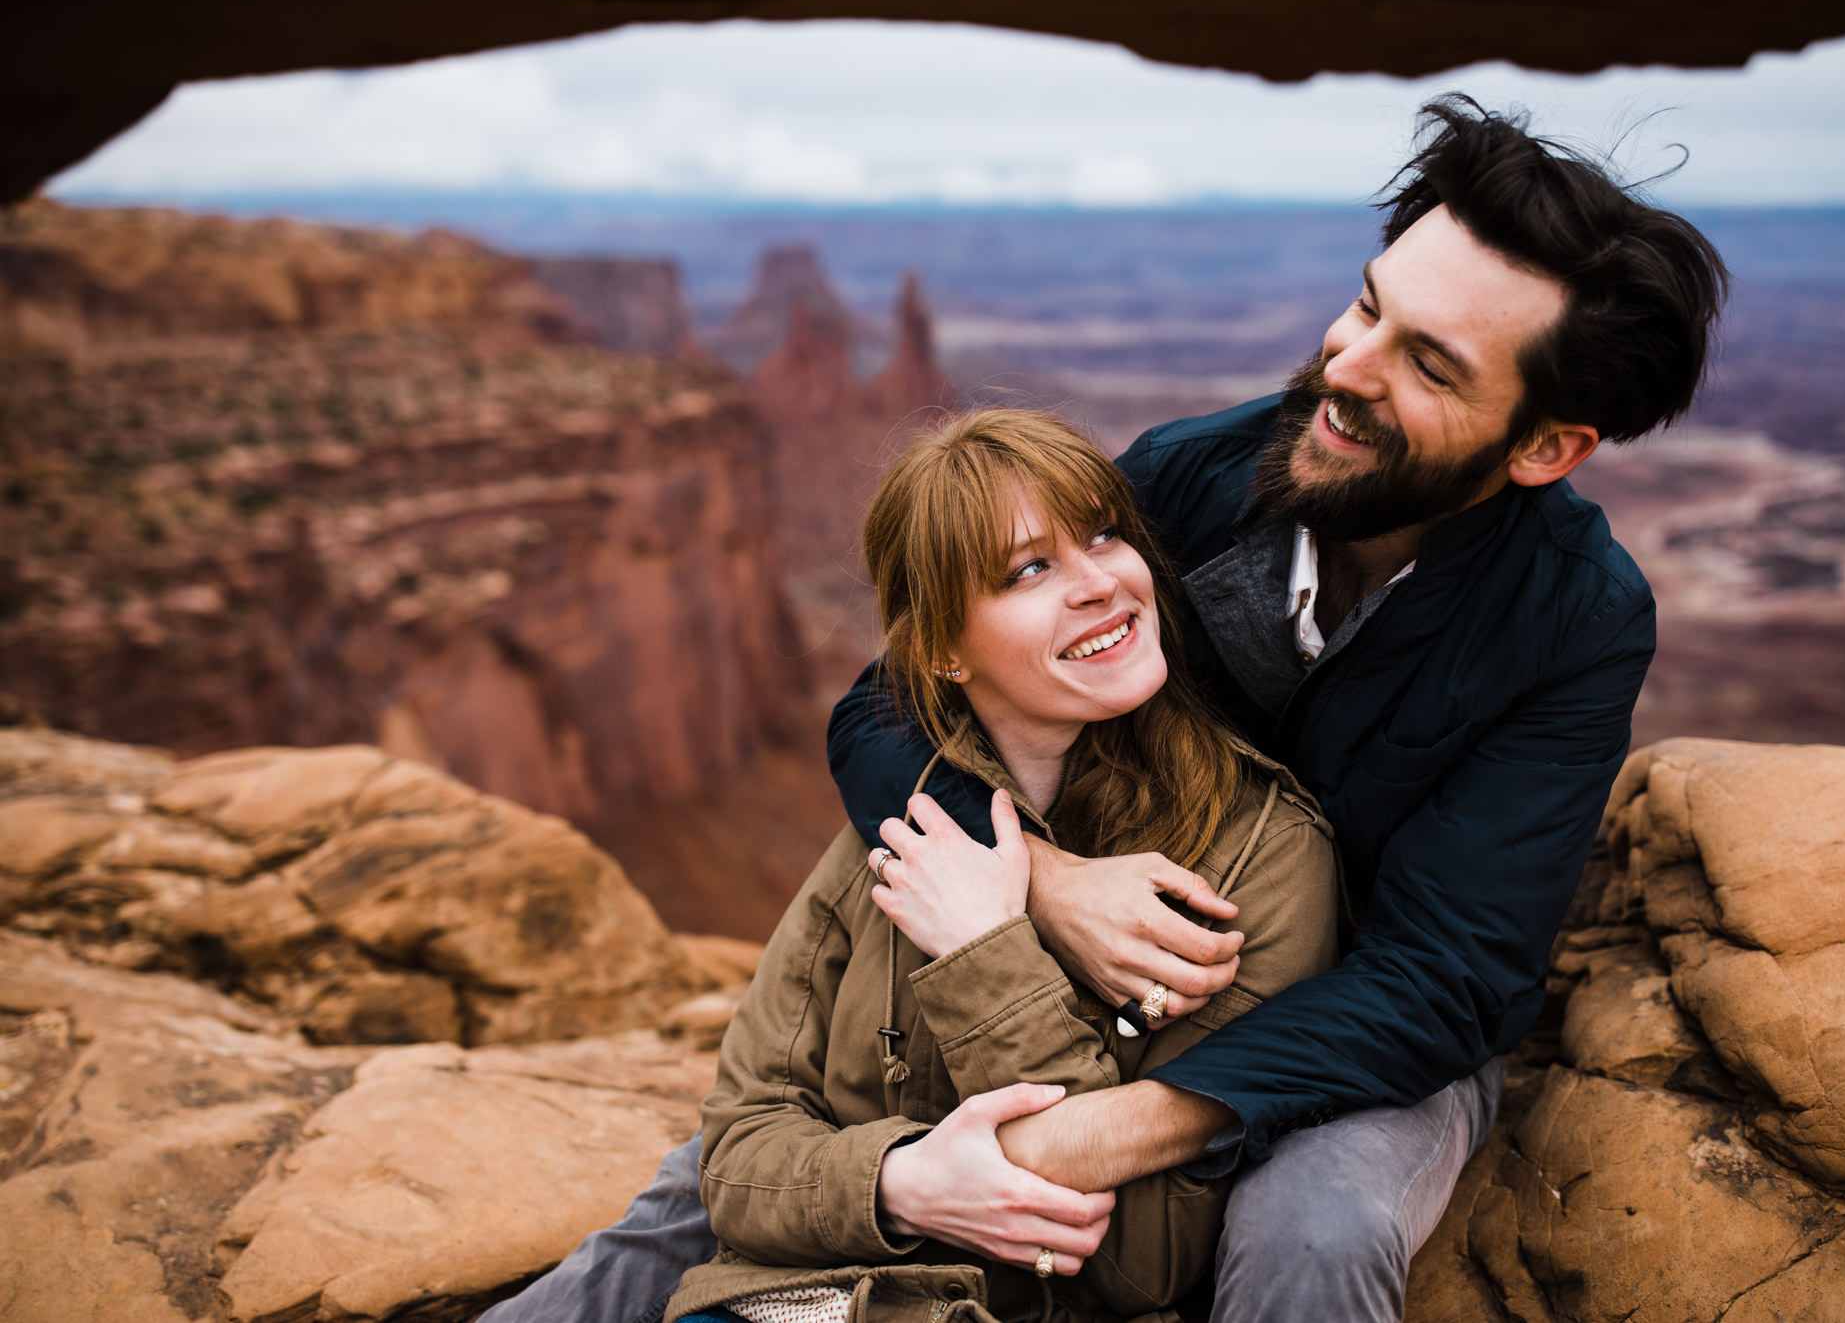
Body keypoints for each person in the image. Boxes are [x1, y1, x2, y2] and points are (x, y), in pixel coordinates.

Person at [481, 93, 1727, 1323]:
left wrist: (1099, 1135)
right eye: (1364, 304)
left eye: (1427, 363)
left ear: (1543, 447)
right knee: (707, 1189)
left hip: (1357, 1039)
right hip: (1104, 981)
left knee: (1316, 1228)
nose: (1345, 367)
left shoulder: (1574, 617)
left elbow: (1443, 981)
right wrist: (1038, 877)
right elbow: (887, 702)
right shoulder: (1196, 474)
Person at [664, 409, 1340, 1322]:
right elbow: (738, 1156)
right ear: (940, 650)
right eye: (1030, 569)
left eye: (1105, 534)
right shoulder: (903, 832)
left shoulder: (1263, 855)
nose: (1100, 582)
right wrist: (905, 1183)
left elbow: (1146, 1262)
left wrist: (988, 949)